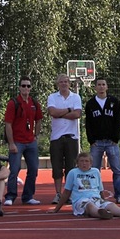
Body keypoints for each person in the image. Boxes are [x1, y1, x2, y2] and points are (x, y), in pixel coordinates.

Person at [51, 151, 120, 220]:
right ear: (77, 163)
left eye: (86, 161)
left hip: (96, 198)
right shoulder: (73, 173)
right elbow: (67, 192)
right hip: (80, 201)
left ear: (91, 163)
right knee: (90, 206)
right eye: (81, 161)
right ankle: (101, 214)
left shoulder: (95, 172)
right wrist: (56, 209)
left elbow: (100, 189)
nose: (84, 163)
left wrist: (104, 200)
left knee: (110, 205)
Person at [84, 78, 120, 203]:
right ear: (95, 87)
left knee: (117, 170)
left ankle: (119, 195)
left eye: (103, 84)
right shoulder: (91, 104)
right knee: (95, 170)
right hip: (96, 142)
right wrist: (91, 140)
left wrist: (115, 138)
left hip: (111, 142)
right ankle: (95, 194)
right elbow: (88, 123)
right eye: (99, 85)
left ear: (107, 87)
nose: (101, 87)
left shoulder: (114, 102)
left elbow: (118, 121)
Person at [3, 77, 43, 207]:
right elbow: (8, 124)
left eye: (28, 86)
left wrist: (36, 135)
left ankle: (28, 196)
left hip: (31, 142)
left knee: (33, 169)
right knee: (14, 169)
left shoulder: (35, 103)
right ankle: (10, 196)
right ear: (19, 87)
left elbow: (39, 120)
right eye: (23, 86)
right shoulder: (13, 103)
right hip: (17, 142)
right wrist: (11, 143)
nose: (26, 88)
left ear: (31, 88)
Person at [46, 74, 82, 205]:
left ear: (69, 83)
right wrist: (68, 110)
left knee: (71, 167)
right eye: (61, 82)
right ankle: (57, 193)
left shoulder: (76, 97)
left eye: (66, 82)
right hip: (56, 137)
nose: (64, 84)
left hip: (72, 137)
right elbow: (52, 113)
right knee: (56, 167)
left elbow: (77, 114)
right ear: (57, 84)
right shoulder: (52, 97)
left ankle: (69, 194)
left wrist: (60, 114)